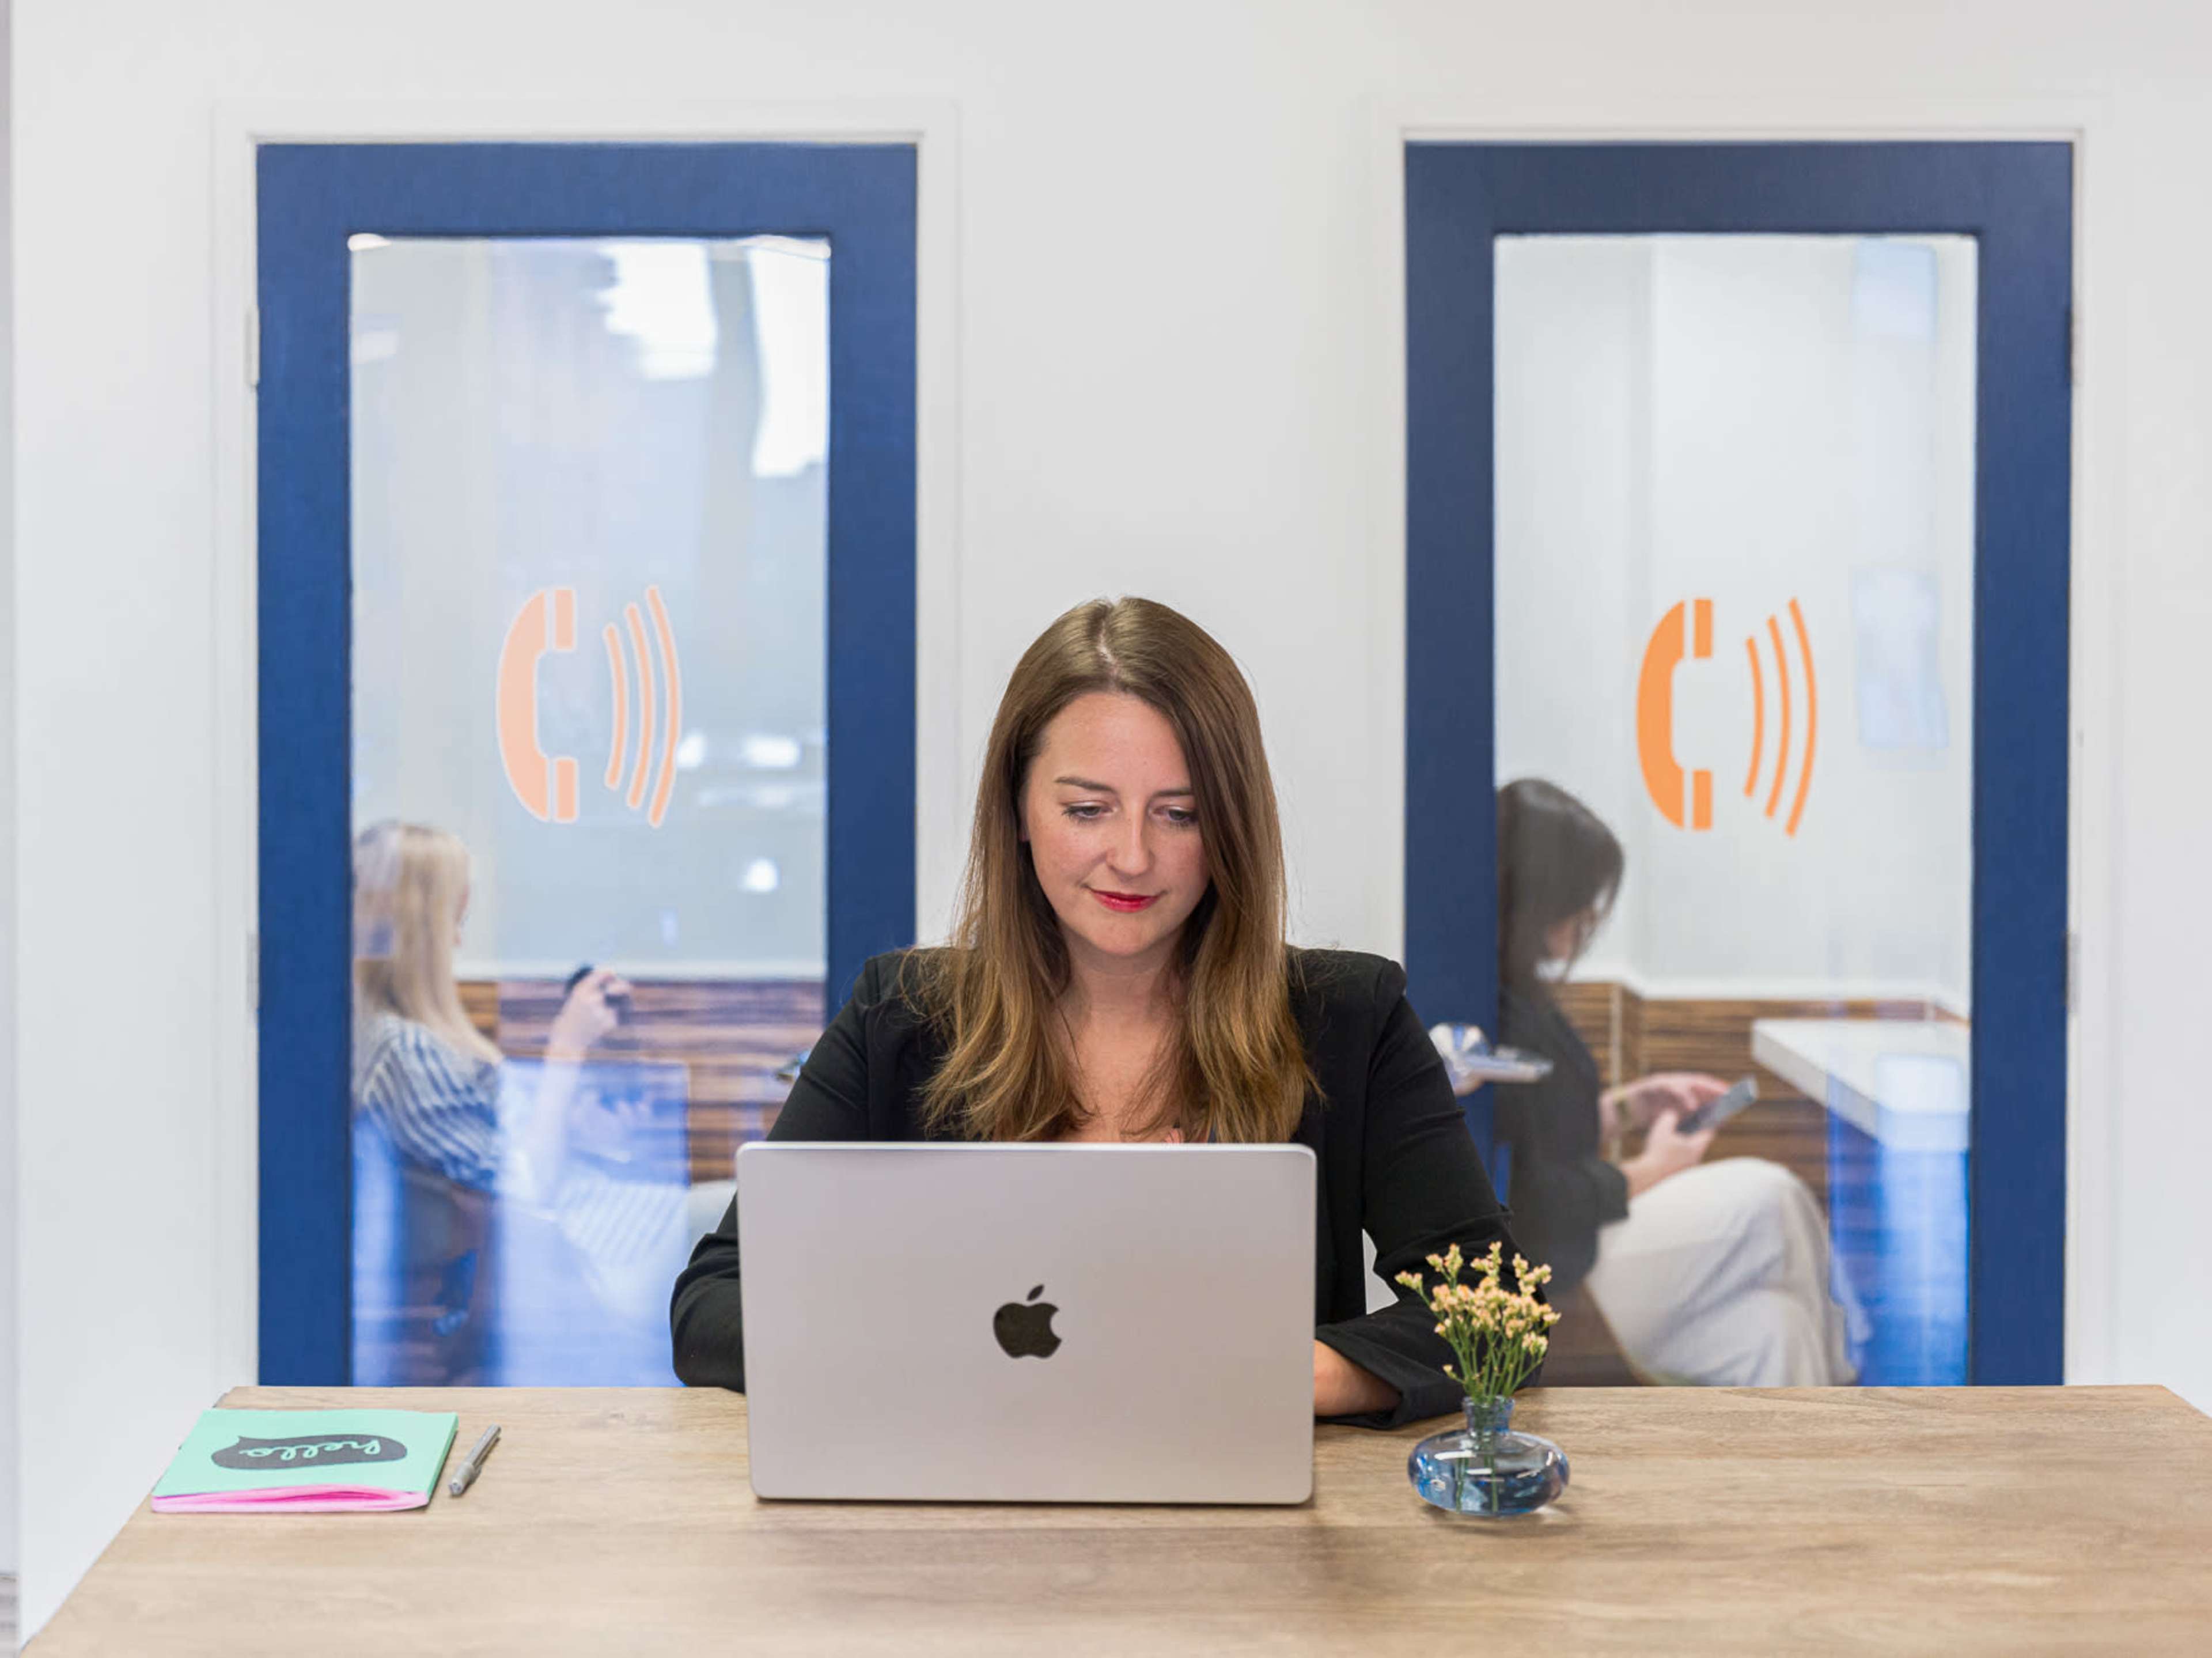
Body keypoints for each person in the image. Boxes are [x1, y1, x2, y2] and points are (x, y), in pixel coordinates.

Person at [671, 597, 1524, 1425]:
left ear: (1232, 824)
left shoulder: (1350, 1018)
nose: (1132, 856)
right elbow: (713, 1305)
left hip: (1248, 1528)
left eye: (1180, 814)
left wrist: (1281, 1374)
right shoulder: (899, 1016)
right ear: (1018, 812)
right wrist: (927, 1355)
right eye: (1086, 810)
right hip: (951, 1516)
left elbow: (1498, 1307)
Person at [1490, 778, 1854, 1387]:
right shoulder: (1497, 1012)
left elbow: (1539, 1128)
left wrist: (1629, 1107)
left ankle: (1808, 1465)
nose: (1590, 919)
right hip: (1567, 1265)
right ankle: (1852, 1392)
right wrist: (1653, 1168)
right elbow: (1536, 1196)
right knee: (1776, 1199)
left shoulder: (1520, 993)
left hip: (1591, 1246)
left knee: (1777, 1329)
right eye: (1584, 902)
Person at [351, 821, 650, 1379]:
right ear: (424, 926)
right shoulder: (406, 1050)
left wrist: (573, 1117)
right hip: (573, 1257)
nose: (459, 940)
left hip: (582, 1227)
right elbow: (523, 1187)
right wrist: (568, 1045)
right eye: (454, 920)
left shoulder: (406, 1041)